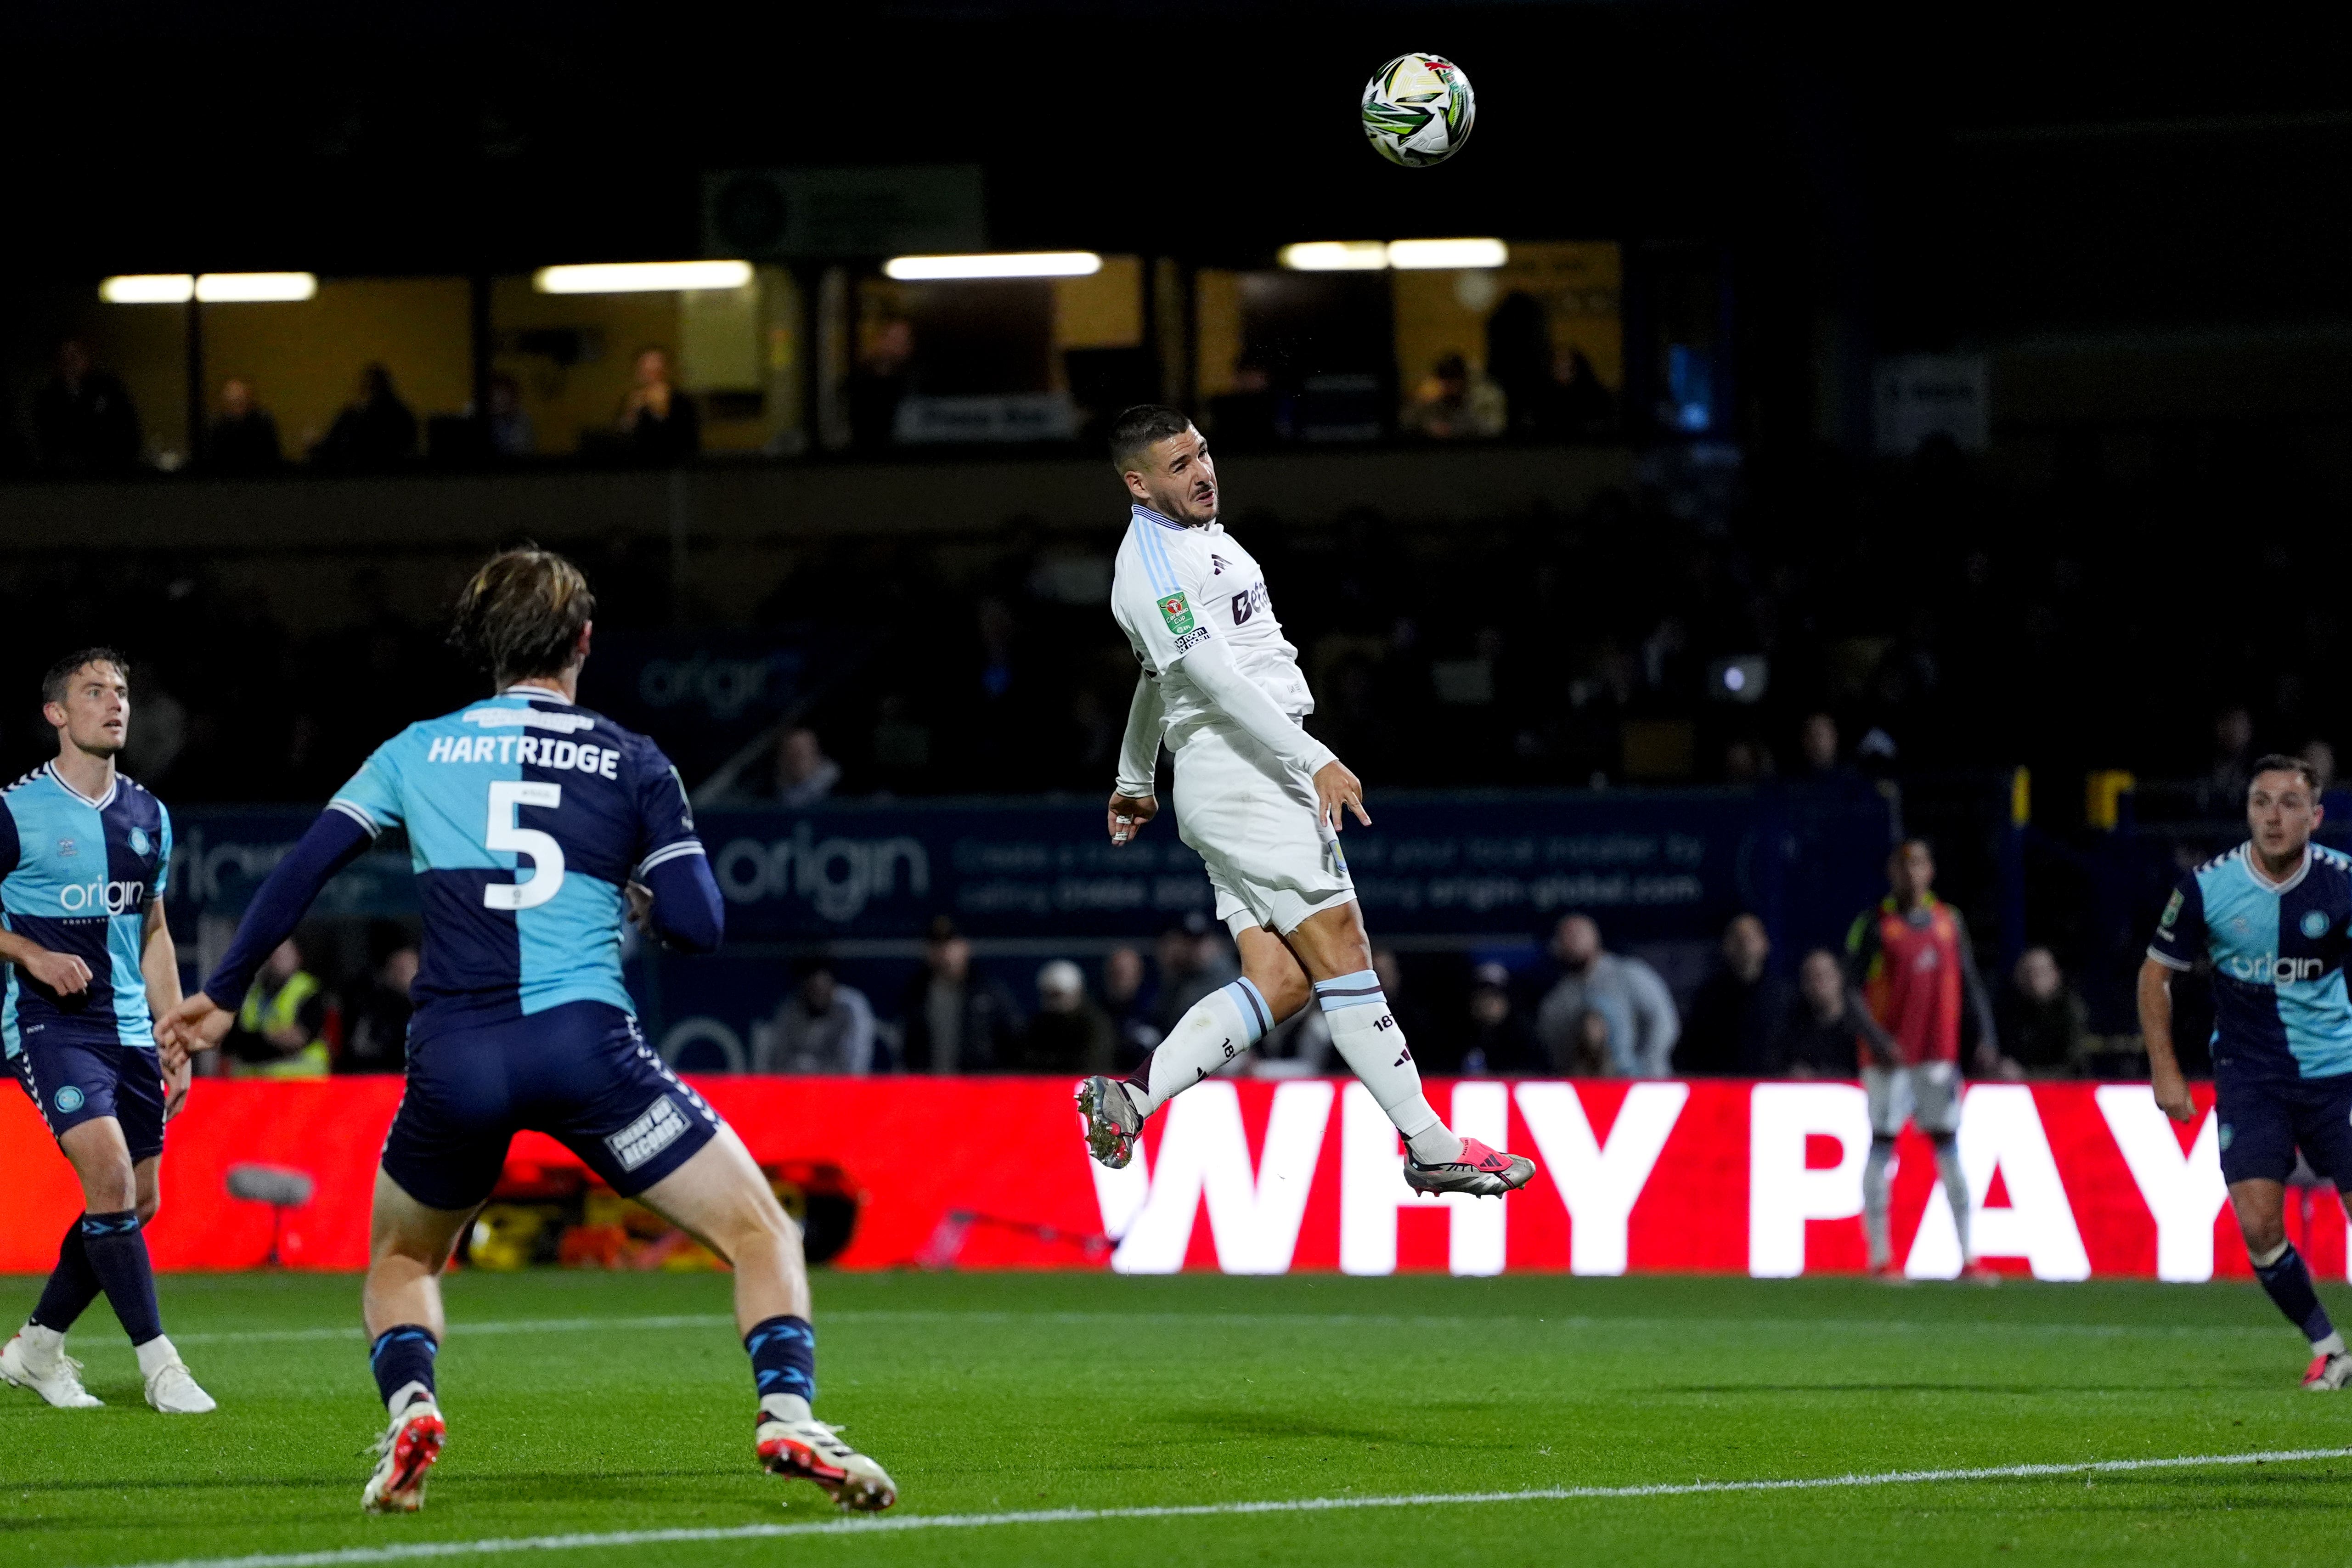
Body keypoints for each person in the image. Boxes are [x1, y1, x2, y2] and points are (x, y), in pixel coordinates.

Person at [154, 547, 895, 1512]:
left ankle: (413, 1408)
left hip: (457, 1059)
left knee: (403, 1259)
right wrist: (642, 900)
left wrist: (221, 991)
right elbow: (700, 924)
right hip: (588, 1053)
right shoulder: (633, 760)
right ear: (584, 641)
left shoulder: (416, 749)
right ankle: (787, 1416)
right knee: (760, 1234)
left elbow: (303, 870)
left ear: (483, 649)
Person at [1076, 405, 1536, 1197]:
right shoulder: (1147, 566)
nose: (1201, 471)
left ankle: (1132, 1096)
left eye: (1203, 453)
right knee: (1345, 950)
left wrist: (1134, 778)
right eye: (1179, 464)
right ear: (1137, 482)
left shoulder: (1193, 539)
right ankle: (1431, 1143)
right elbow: (1213, 678)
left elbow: (1157, 679)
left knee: (1282, 981)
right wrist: (1312, 754)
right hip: (1249, 771)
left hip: (1231, 777)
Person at [0, 650, 211, 1414]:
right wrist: (27, 950)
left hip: (128, 1025)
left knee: (134, 1200)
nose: (115, 702)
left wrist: (176, 1027)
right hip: (49, 1022)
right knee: (114, 1178)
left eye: (121, 690)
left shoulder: (148, 814)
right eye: (94, 691)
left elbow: (153, 928)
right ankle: (162, 1366)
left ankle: (38, 1346)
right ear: (57, 712)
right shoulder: (14, 809)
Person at [2143, 755, 2352, 1390]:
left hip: (2335, 1071)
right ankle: (2330, 1347)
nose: (2273, 815)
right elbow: (2155, 975)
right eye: (2262, 801)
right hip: (2249, 1075)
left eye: (2289, 803)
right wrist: (2165, 1069)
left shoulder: (2343, 883)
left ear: (2315, 817)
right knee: (2259, 1224)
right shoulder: (2208, 887)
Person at [1846, 839, 2000, 1282]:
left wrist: (1984, 1036)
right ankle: (1880, 1258)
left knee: (1949, 1151)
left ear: (1930, 870)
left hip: (1937, 1056)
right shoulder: (1874, 925)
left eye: (1918, 864)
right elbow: (1850, 990)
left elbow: (1968, 980)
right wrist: (1877, 1040)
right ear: (1892, 873)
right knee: (1881, 1147)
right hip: (1889, 1062)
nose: (1910, 873)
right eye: (1902, 866)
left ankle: (1968, 1258)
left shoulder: (1948, 921)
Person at [1534, 915, 1680, 1078]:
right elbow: (1558, 1053)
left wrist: (1647, 1069)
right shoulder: (1558, 1000)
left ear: (1595, 937)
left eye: (1578, 934)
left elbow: (1664, 1022)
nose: (1572, 942)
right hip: (1591, 1089)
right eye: (1565, 937)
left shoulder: (1630, 973)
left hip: (1645, 1083)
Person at [898, 916, 1020, 1074]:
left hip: (978, 1090)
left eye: (950, 944)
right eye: (937, 945)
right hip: (930, 1089)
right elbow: (907, 1048)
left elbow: (1013, 1042)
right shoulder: (917, 994)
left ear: (965, 947)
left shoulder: (988, 992)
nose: (944, 952)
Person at [1678, 914, 1789, 1075]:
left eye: (1751, 938)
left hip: (1770, 1090)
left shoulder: (1785, 997)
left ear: (1765, 944)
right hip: (1721, 1090)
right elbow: (1689, 1052)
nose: (1744, 945)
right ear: (1726, 946)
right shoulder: (1709, 997)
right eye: (1738, 938)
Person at [224, 937, 333, 1078]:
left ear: (297, 957)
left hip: (298, 1085)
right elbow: (230, 1041)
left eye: (281, 953)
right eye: (270, 953)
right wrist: (271, 1037)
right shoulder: (252, 994)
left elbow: (298, 1038)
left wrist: (253, 1040)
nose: (275, 959)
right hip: (254, 1087)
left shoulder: (307, 990)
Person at [31, 340, 141, 474]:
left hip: (109, 473)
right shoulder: (49, 397)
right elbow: (46, 438)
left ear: (88, 358)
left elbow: (127, 429)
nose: (70, 362)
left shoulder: (108, 389)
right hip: (63, 477)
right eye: (64, 357)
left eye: (76, 355)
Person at [757, 964, 875, 1075]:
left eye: (823, 989)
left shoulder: (851, 1007)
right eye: (813, 990)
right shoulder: (789, 1009)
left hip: (840, 1088)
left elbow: (857, 1063)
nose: (819, 996)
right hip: (799, 1087)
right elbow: (778, 1061)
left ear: (833, 986)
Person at [1774, 948, 1865, 1077]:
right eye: (1811, 978)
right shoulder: (1792, 1027)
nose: (1819, 984)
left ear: (1839, 977)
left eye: (1824, 976)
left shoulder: (1861, 1028)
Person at [1015, 960, 1116, 1074]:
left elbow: (1093, 1064)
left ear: (1076, 993)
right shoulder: (1038, 1025)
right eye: (1048, 996)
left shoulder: (1095, 1024)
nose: (1053, 1003)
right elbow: (1026, 1061)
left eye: (1058, 995)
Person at [1998, 947, 2086, 1076]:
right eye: (2028, 973)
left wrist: (2025, 1076)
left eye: (2041, 972)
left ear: (2055, 974)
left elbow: (2073, 1067)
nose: (2034, 979)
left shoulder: (2071, 1011)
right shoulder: (2008, 1009)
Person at [312, 364, 418, 469]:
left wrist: (316, 447)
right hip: (394, 472)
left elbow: (335, 444)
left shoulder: (356, 416)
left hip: (363, 471)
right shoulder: (401, 413)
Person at [344, 939, 418, 1074]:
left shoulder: (428, 1008)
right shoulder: (374, 1007)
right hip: (380, 1077)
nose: (403, 975)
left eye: (408, 969)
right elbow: (361, 1048)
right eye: (398, 969)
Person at [617, 347, 699, 464]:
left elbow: (686, 437)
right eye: (646, 370)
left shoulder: (683, 401)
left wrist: (660, 410)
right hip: (638, 466)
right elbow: (623, 435)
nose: (651, 374)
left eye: (657, 370)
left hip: (675, 467)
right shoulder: (632, 400)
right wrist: (632, 411)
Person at [1460, 961, 1541, 1075]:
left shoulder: (1524, 1039)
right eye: (1483, 995)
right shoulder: (1458, 1036)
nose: (1488, 1002)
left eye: (1495, 995)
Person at [1402, 354, 1506, 441]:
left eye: (1454, 378)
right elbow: (1406, 423)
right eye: (1445, 379)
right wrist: (1420, 403)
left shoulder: (1484, 397)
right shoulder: (1432, 401)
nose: (1449, 385)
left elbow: (1494, 429)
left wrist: (1456, 430)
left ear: (1464, 379)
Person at [207, 378, 283, 474]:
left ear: (249, 400)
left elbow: (271, 455)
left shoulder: (263, 422)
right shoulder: (218, 426)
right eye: (233, 403)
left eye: (241, 402)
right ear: (225, 403)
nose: (238, 408)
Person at [1101, 943, 1160, 1066]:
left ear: (1139, 974)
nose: (1122, 978)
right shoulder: (1098, 1011)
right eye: (1117, 972)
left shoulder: (1156, 1011)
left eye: (1127, 973)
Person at [774, 728, 841, 808]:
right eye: (790, 751)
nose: (794, 759)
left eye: (800, 753)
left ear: (815, 753)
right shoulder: (771, 788)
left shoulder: (836, 785)